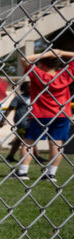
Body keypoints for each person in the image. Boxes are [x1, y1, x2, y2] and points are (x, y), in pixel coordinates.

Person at [12, 49, 74, 181]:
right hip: (62, 113)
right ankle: (51, 174)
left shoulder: (38, 74)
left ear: (42, 64)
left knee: (29, 142)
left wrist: (46, 53)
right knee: (56, 143)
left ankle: (22, 172)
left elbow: (24, 59)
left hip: (40, 114)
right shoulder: (65, 74)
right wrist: (61, 52)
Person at [5, 83, 32, 163]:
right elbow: (9, 109)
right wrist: (3, 120)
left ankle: (10, 156)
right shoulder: (19, 98)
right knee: (28, 139)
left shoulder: (33, 97)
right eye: (28, 88)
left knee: (20, 140)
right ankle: (38, 157)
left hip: (29, 121)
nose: (30, 90)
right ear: (23, 89)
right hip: (21, 121)